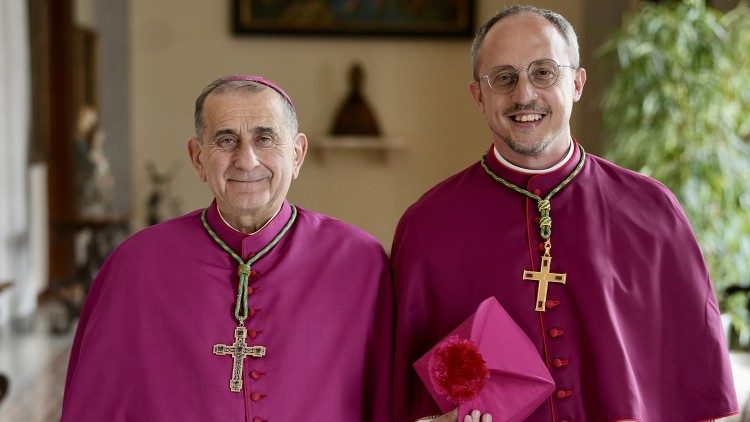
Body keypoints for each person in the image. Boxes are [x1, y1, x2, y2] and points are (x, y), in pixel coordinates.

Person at [391, 5, 738, 422]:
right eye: (503, 78)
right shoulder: (428, 226)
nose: (524, 95)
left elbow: (701, 386)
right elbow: (400, 397)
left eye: (544, 72)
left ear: (576, 83)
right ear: (478, 95)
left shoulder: (653, 211)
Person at [61, 75, 393, 421]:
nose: (246, 160)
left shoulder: (358, 260)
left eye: (264, 138)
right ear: (197, 157)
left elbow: (386, 402)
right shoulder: (136, 265)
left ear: (297, 154)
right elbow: (94, 406)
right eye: (226, 140)